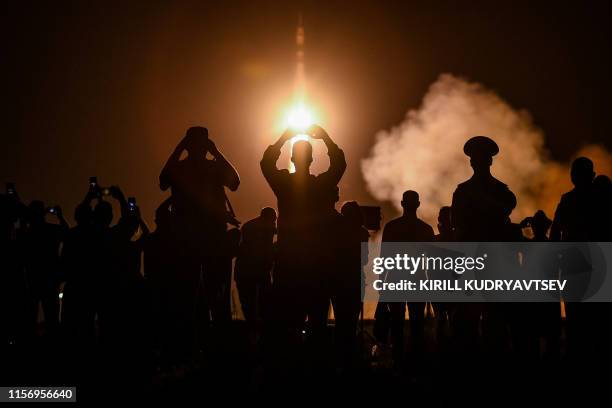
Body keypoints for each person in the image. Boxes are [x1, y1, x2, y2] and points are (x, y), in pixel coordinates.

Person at [260, 125, 346, 352]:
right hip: (317, 263)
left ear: (291, 158)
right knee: (317, 321)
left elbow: (266, 164)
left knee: (288, 323)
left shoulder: (284, 185)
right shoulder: (320, 186)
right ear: (311, 159)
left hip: (289, 262)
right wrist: (326, 138)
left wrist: (282, 139)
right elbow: (339, 164)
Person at [159, 126, 240, 350]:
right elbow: (235, 182)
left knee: (188, 295)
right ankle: (216, 347)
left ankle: (189, 346)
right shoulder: (211, 168)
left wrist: (179, 149)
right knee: (216, 295)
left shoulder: (181, 168)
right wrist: (217, 152)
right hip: (209, 237)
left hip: (188, 238)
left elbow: (163, 181)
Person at [451, 136, 517, 356]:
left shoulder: (500, 192)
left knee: (495, 318)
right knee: (470, 320)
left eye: (481, 159)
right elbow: (458, 228)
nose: (478, 163)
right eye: (477, 159)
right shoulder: (467, 192)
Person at [380, 190, 435, 365]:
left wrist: (382, 285)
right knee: (417, 324)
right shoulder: (426, 230)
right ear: (418, 205)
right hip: (418, 280)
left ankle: (398, 360)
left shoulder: (391, 227)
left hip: (395, 278)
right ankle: (416, 361)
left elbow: (385, 259)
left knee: (396, 324)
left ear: (402, 204)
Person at [22, 200, 68, 338]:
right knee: (52, 320)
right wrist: (60, 216)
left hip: (32, 281)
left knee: (30, 321)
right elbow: (67, 233)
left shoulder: (27, 234)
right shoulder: (51, 230)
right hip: (50, 281)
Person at [234, 207, 277, 328]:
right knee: (259, 307)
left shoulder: (250, 227)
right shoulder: (264, 229)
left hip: (246, 271)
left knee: (250, 307)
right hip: (253, 272)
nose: (274, 223)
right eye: (273, 220)